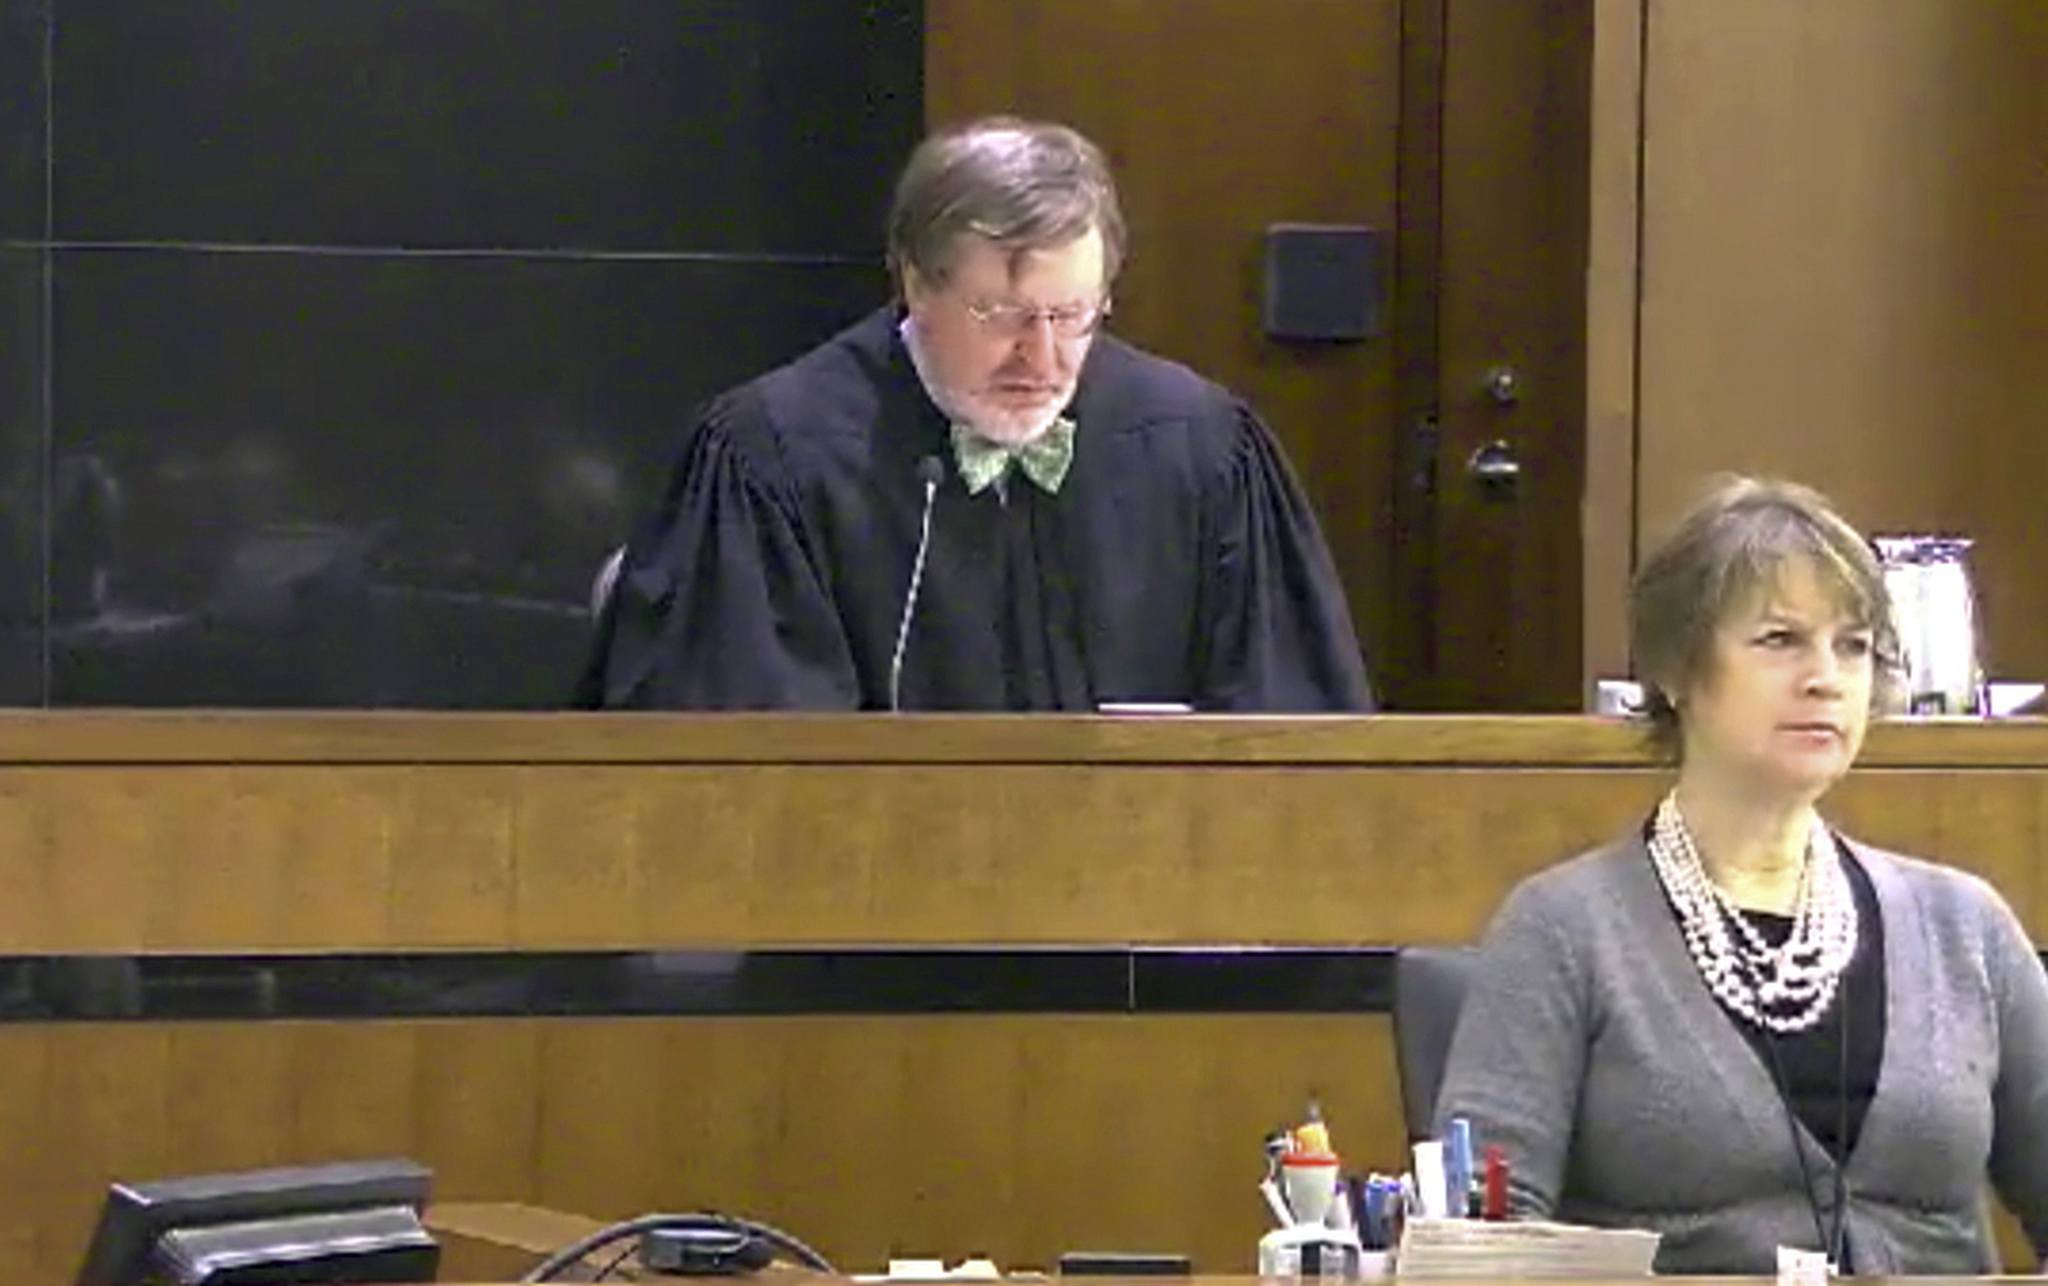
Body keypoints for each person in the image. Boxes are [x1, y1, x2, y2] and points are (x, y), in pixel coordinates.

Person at [1432, 477, 2048, 1273]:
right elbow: (1487, 1253)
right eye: (1780, 640)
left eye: (1853, 645)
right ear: (1676, 670)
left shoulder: (1965, 927)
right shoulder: (1563, 929)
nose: (1825, 676)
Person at [579, 116, 1372, 711]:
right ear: (915, 285)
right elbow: (733, 761)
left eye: (1073, 314)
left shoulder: (1202, 447)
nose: (1044, 358)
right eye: (1001, 315)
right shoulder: (774, 458)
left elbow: (1288, 734)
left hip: (1139, 912)